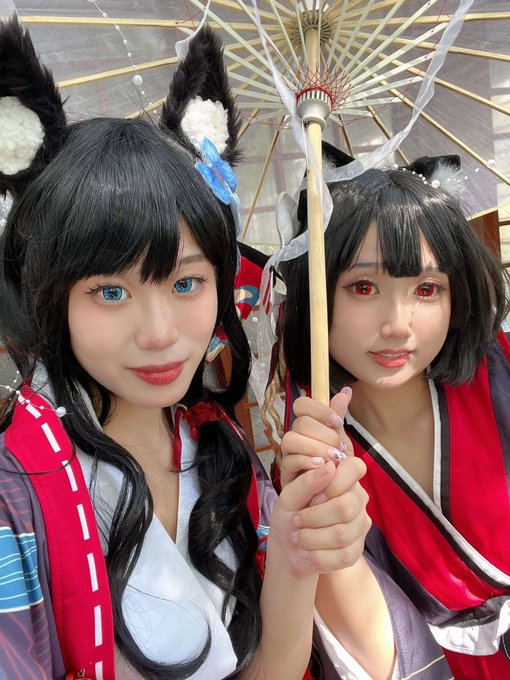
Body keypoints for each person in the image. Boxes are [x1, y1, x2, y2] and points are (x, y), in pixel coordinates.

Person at [0, 17, 440, 680]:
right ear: (51, 294)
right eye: (110, 292)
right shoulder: (15, 493)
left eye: (186, 282)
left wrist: (299, 557)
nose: (160, 332)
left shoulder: (218, 450)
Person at [274, 163, 510, 678]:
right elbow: (375, 650)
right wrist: (325, 527)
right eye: (363, 287)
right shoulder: (312, 458)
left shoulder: (503, 374)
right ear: (315, 294)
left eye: (427, 289)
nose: (398, 325)